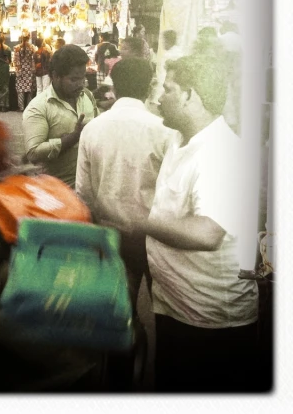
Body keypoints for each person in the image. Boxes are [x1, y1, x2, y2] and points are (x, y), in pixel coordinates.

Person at [109, 54, 259, 392]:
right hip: (177, 307)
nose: (157, 96)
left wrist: (140, 220)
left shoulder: (220, 152)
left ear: (191, 96)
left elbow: (207, 233)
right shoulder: (180, 141)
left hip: (212, 322)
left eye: (168, 88)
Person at [76, 58, 176, 316]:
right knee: (164, 309)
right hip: (157, 235)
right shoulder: (165, 131)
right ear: (151, 86)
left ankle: (124, 354)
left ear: (114, 87)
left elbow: (83, 193)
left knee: (118, 314)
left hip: (111, 234)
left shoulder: (92, 129)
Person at [23, 45, 98, 189]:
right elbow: (33, 153)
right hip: (56, 193)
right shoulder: (38, 107)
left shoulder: (87, 96)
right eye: (74, 79)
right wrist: (73, 137)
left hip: (89, 188)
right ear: (55, 76)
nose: (81, 84)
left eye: (83, 78)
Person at [13, 30, 37, 112]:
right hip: (30, 70)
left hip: (21, 70)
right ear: (29, 38)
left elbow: (16, 60)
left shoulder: (17, 48)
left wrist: (18, 69)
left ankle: (21, 107)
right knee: (30, 90)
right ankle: (29, 107)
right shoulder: (32, 47)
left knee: (20, 90)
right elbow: (34, 59)